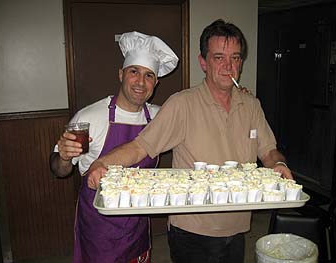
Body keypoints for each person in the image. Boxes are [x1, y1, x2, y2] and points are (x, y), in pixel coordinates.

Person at [87, 19, 293, 263]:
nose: (229, 66)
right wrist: (101, 163)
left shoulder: (251, 105)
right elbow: (140, 147)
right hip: (192, 230)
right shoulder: (182, 104)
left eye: (235, 58)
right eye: (219, 58)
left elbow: (269, 151)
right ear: (203, 62)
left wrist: (279, 165)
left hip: (238, 224)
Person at [49, 31, 178, 263]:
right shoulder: (90, 117)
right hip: (100, 228)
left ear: (156, 82)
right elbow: (59, 170)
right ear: (121, 74)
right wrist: (65, 158)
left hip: (138, 223)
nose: (141, 82)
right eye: (134, 72)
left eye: (149, 75)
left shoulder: (160, 117)